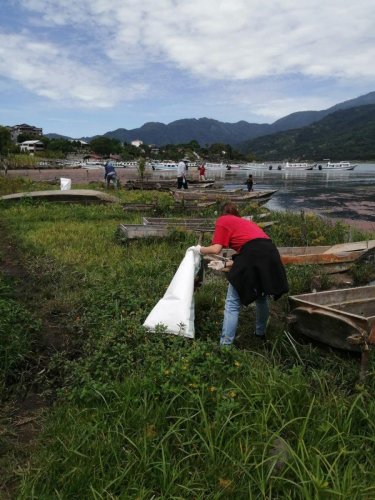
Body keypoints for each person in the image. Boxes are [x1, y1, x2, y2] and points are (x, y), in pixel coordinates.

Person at [191, 202, 288, 346]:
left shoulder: (223, 220)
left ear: (222, 213)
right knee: (261, 297)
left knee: (232, 303)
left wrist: (199, 249)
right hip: (271, 252)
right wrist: (226, 263)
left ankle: (225, 345)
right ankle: (260, 334)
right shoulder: (245, 222)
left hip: (254, 253)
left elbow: (216, 249)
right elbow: (249, 253)